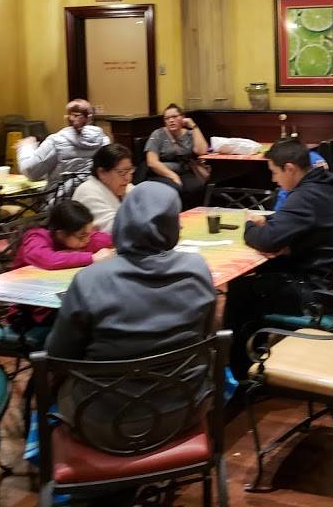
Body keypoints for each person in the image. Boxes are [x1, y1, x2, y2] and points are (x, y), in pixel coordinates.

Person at [45, 182, 217, 451]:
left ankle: (46, 462)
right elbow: (206, 337)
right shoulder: (197, 270)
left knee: (48, 387)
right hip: (186, 411)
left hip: (106, 425)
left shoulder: (90, 280)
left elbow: (58, 356)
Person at [224, 138, 333, 377]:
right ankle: (258, 353)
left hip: (320, 298)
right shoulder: (327, 184)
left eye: (274, 172)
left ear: (289, 168)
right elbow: (295, 223)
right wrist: (272, 224)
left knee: (240, 290)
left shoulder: (305, 196)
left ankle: (241, 374)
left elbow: (267, 240)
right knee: (265, 272)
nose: (273, 179)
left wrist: (250, 225)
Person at [8, 200, 115, 334]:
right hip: (34, 308)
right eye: (82, 235)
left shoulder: (76, 238)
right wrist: (92, 258)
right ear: (61, 234)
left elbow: (102, 238)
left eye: (89, 232)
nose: (87, 239)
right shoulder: (36, 238)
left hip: (61, 298)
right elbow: (49, 260)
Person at [16, 99, 109, 185]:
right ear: (89, 118)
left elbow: (31, 172)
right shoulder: (104, 140)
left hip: (65, 197)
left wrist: (26, 147)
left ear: (66, 118)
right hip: (96, 194)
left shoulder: (56, 141)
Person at [143, 103, 209, 209]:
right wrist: (172, 175)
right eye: (167, 118)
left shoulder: (189, 134)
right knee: (175, 187)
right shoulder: (158, 134)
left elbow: (202, 151)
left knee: (198, 186)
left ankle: (192, 214)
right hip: (161, 173)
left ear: (183, 118)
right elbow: (152, 162)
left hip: (184, 171)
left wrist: (194, 126)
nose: (171, 120)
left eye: (174, 117)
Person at [72, 143, 135, 233]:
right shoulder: (87, 192)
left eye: (130, 170)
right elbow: (115, 229)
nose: (128, 178)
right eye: (122, 172)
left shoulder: (125, 186)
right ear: (102, 173)